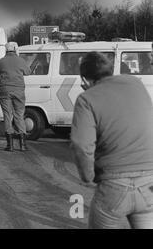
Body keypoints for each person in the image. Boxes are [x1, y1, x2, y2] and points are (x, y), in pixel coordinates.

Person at [70, 52, 153, 229]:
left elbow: (82, 144)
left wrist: (88, 177)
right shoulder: (135, 83)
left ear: (84, 79)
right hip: (149, 183)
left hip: (114, 185)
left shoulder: (87, 99)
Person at [0, 42, 31, 152]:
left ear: (6, 50)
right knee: (19, 115)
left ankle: (10, 146)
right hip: (18, 92)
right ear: (15, 49)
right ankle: (22, 145)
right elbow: (28, 72)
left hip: (5, 92)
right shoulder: (21, 61)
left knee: (7, 115)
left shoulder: (1, 61)